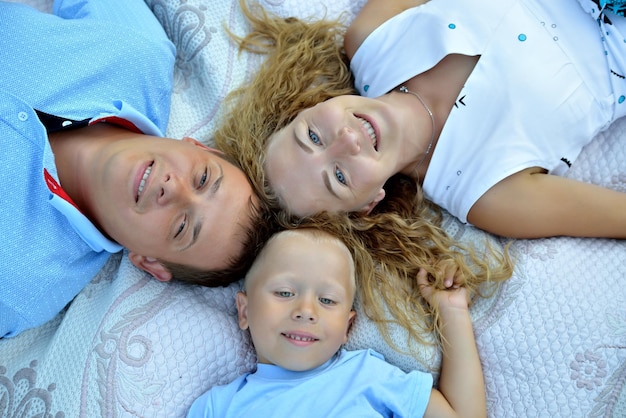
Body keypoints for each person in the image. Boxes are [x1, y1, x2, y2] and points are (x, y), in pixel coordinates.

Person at [215, 0, 626, 239]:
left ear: (307, 107)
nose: (347, 141)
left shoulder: (372, 38)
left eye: (313, 136)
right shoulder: (483, 192)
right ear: (367, 205)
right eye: (338, 177)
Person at [0, 0, 271, 339]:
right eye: (202, 178)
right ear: (197, 146)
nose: (173, 189)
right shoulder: (139, 52)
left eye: (182, 226)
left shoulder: (20, 287)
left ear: (150, 262)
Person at [187, 227, 487, 417]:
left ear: (347, 327)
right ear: (244, 311)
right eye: (285, 292)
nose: (306, 310)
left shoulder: (370, 377)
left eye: (327, 300)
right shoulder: (217, 407)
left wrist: (452, 312)